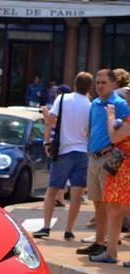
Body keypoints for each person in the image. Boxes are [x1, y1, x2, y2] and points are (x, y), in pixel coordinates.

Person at [33, 72, 93, 240]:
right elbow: (89, 131)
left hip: (64, 150)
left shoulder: (62, 99)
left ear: (74, 84)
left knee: (52, 191)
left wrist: (46, 142)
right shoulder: (90, 105)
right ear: (89, 87)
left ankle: (46, 227)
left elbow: (50, 120)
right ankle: (68, 229)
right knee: (76, 194)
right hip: (82, 152)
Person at [76, 69, 130, 257]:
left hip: (110, 158)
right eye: (97, 82)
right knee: (99, 203)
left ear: (114, 84)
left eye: (103, 82)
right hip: (94, 157)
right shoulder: (95, 104)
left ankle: (108, 245)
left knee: (112, 205)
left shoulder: (120, 105)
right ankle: (100, 242)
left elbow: (120, 135)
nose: (99, 86)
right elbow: (91, 128)